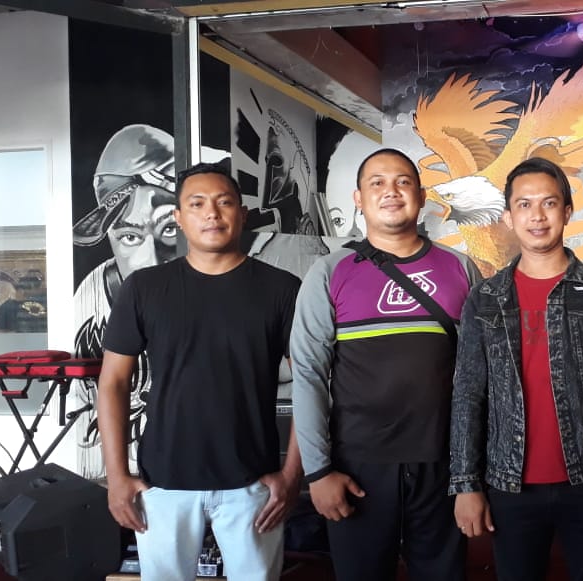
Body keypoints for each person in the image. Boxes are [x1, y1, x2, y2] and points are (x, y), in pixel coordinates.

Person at [450, 157, 583, 581]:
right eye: (524, 205)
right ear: (508, 217)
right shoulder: (484, 297)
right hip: (509, 484)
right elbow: (468, 393)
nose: (537, 216)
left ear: (567, 211)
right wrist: (465, 483)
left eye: (549, 203)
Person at [97, 162, 303, 580]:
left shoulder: (282, 289)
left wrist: (292, 475)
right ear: (178, 217)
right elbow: (113, 383)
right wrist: (117, 477)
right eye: (197, 204)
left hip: (253, 484)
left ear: (242, 214)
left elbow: (311, 384)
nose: (212, 213)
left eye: (224, 202)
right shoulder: (144, 288)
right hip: (163, 482)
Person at [290, 148, 481, 581]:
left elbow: (482, 374)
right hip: (356, 470)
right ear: (358, 198)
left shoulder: (460, 268)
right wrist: (318, 472)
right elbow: (309, 374)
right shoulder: (329, 272)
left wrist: (471, 474)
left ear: (421, 195)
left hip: (443, 467)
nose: (391, 191)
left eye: (403, 181)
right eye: (377, 182)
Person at [73, 124, 180, 468]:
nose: (152, 259)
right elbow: (88, 425)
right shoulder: (90, 299)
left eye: (169, 228)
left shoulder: (217, 290)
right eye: (130, 237)